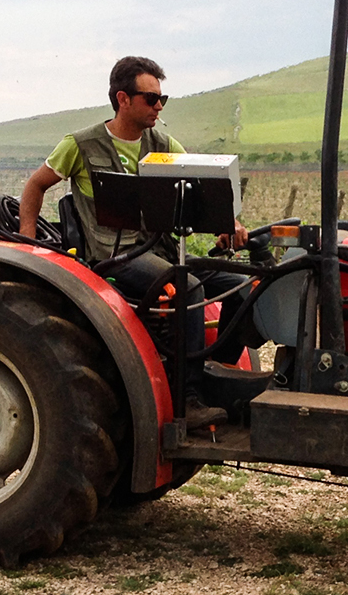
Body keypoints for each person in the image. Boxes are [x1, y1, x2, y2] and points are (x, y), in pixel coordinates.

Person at [19, 56, 239, 427]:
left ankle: (215, 371)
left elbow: (203, 186)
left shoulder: (162, 143)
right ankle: (186, 398)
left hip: (159, 251)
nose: (159, 106)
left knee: (239, 286)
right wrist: (28, 240)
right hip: (116, 255)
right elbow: (36, 185)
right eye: (151, 99)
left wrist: (229, 223)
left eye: (162, 99)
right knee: (189, 287)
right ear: (123, 99)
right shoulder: (81, 145)